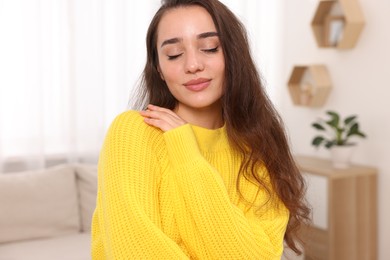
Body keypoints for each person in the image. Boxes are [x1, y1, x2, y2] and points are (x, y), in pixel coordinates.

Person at [91, 0, 310, 259]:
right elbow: (134, 250)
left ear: (232, 55)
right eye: (174, 54)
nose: (192, 65)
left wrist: (188, 156)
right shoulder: (133, 132)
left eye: (209, 48)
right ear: (159, 69)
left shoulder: (259, 149)